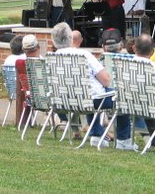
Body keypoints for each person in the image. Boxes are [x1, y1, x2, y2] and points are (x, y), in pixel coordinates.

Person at [51, 22, 135, 150]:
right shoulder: (84, 55)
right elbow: (106, 80)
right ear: (70, 38)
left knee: (92, 92)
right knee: (122, 97)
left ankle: (97, 136)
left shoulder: (52, 58)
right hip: (90, 100)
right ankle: (123, 140)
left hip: (64, 100)